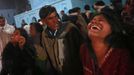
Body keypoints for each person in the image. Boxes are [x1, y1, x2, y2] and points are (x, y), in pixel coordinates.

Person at [80, 8, 134, 75]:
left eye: (101, 20)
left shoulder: (122, 55)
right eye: (92, 20)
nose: (94, 22)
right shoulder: (84, 49)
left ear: (112, 28)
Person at [39, 5, 83, 75]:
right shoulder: (44, 35)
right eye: (50, 18)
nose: (55, 20)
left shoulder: (70, 29)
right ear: (43, 21)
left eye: (56, 16)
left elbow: (83, 53)